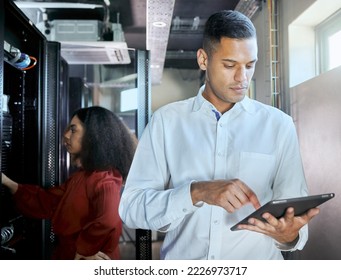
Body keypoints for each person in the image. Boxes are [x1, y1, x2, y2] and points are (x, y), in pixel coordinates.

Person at [118, 10, 320, 260]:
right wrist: (196, 192)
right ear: (203, 60)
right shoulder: (166, 122)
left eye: (249, 65)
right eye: (229, 65)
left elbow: (293, 217)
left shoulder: (279, 125)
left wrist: (287, 235)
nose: (242, 78)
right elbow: (132, 208)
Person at [1, 106, 136, 260]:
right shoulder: (83, 176)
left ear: (93, 135)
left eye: (73, 130)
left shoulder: (105, 179)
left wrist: (86, 250)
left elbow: (109, 220)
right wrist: (7, 182)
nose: (65, 135)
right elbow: (49, 201)